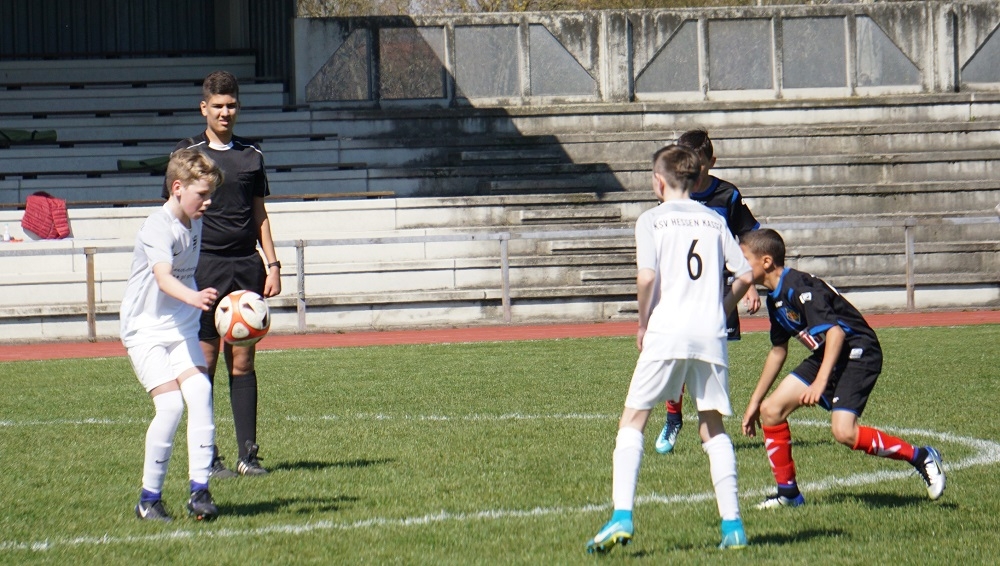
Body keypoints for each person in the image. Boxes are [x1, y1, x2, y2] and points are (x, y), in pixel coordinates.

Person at [587, 145, 755, 554]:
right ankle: (733, 525)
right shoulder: (714, 219)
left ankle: (621, 515)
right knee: (712, 426)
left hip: (667, 329)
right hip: (710, 332)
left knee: (633, 420)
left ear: (659, 181)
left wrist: (643, 321)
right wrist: (720, 308)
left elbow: (647, 278)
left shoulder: (652, 220)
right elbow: (746, 274)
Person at [738, 228, 946, 509]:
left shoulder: (799, 287)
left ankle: (921, 456)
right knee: (771, 411)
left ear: (766, 262)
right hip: (829, 353)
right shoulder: (775, 299)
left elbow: (835, 333)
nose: (738, 266)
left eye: (743, 259)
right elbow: (778, 351)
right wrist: (754, 402)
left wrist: (820, 382)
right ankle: (789, 494)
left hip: (859, 350)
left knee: (844, 432)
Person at [165, 70, 281, 477]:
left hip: (246, 266)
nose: (225, 112)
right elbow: (173, 214)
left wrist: (272, 264)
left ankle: (248, 455)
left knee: (243, 361)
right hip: (204, 267)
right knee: (205, 363)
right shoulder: (187, 154)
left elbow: (259, 213)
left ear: (238, 107)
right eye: (217, 106)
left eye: (231, 105)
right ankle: (207, 456)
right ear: (204, 108)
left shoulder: (252, 155)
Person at [121, 149, 224, 521]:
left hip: (180, 326)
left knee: (200, 392)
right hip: (145, 330)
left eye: (210, 195)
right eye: (202, 194)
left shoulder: (195, 220)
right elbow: (164, 278)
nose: (208, 202)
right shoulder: (157, 226)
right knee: (171, 406)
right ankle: (149, 499)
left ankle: (200, 491)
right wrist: (194, 297)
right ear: (177, 188)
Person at [655, 129, 761, 455]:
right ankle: (674, 418)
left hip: (717, 290)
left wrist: (749, 284)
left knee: (707, 358)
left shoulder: (727, 195)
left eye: (699, 164)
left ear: (711, 162)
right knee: (678, 356)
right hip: (680, 290)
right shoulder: (673, 197)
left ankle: (710, 429)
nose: (694, 171)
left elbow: (748, 238)